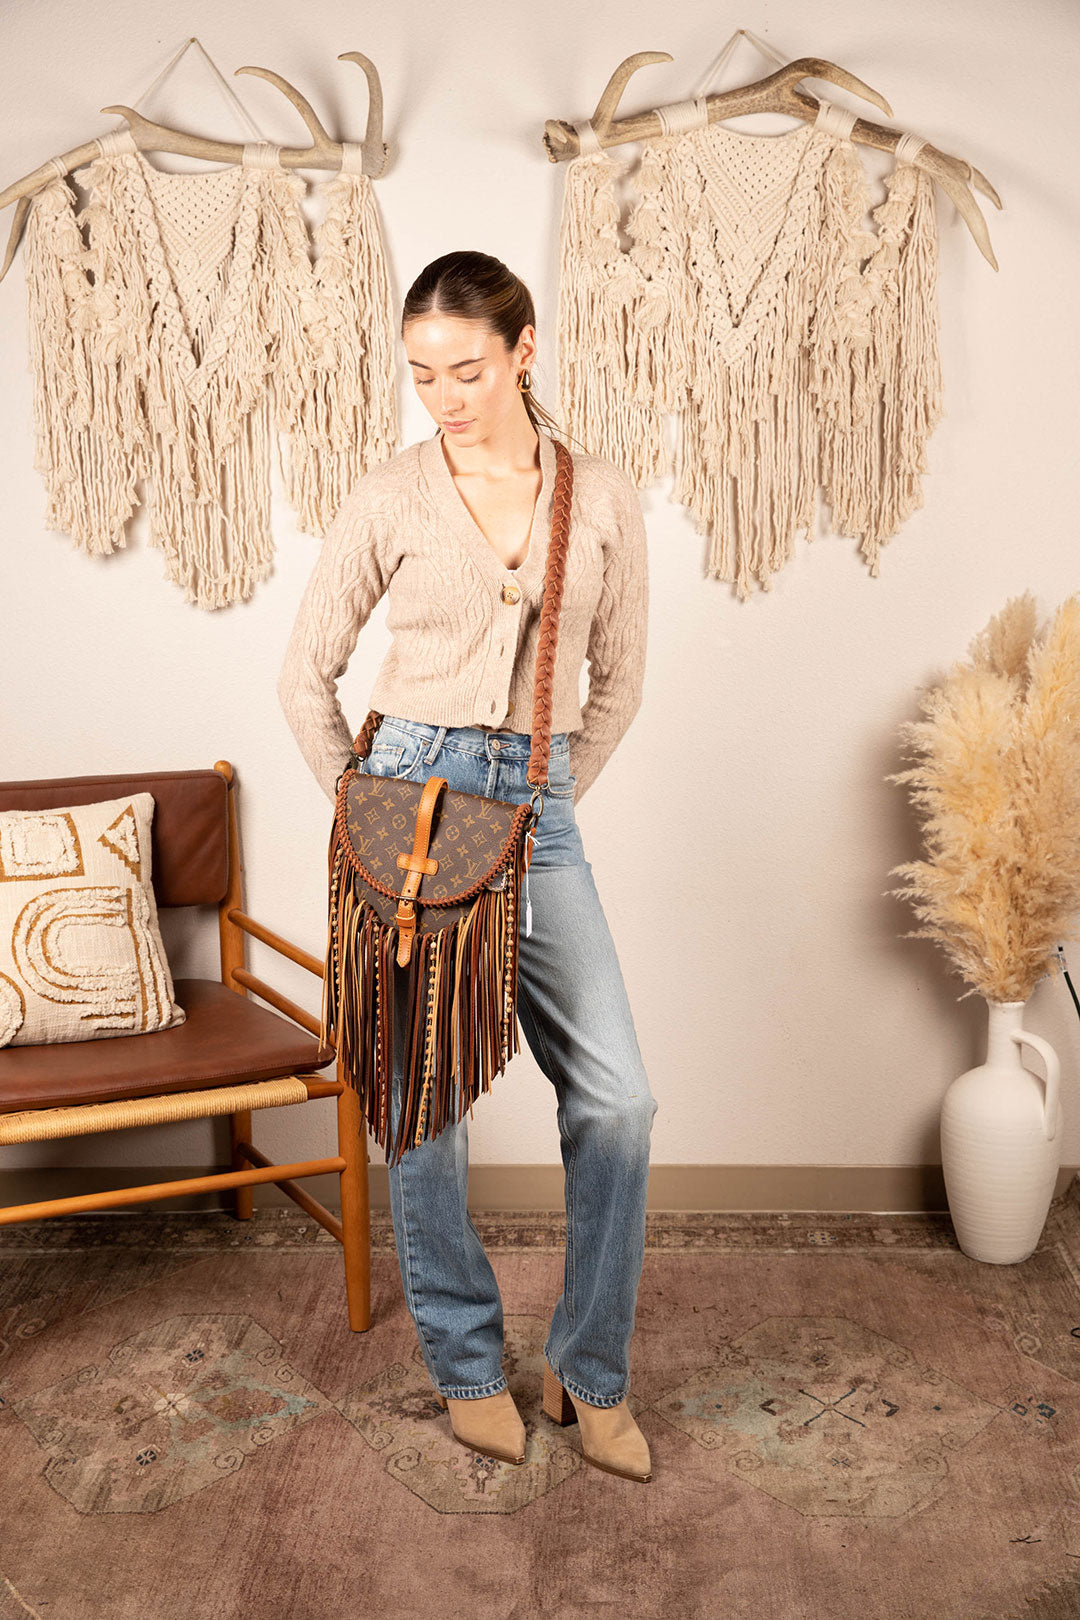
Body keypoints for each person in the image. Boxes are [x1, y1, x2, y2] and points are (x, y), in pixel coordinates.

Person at [277, 250, 657, 1483]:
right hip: (409, 801)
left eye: (468, 369)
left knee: (618, 1099)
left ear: (524, 350)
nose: (443, 396)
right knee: (422, 1106)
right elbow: (304, 673)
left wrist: (546, 802)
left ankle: (590, 1372)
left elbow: (620, 682)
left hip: (535, 805)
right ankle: (467, 1362)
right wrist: (362, 809)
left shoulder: (601, 498)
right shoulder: (390, 494)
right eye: (422, 373)